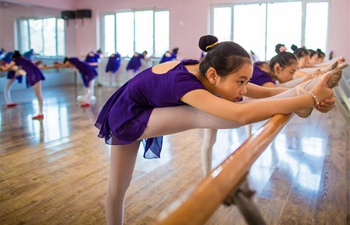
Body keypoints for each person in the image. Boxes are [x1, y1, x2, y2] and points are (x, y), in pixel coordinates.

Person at [94, 34, 339, 225]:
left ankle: (304, 95)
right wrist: (308, 100)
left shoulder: (208, 72)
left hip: (137, 107)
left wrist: (305, 91)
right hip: (126, 116)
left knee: (118, 187)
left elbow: (263, 92)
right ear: (213, 75)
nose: (244, 88)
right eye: (240, 82)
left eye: (246, 81)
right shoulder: (187, 84)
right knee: (209, 114)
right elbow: (239, 115)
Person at [201, 51, 341, 176]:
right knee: (209, 140)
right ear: (277, 68)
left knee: (210, 140)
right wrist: (309, 95)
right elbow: (274, 91)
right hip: (215, 101)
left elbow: (273, 91)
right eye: (291, 72)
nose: (293, 75)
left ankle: (206, 176)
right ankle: (206, 177)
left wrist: (309, 92)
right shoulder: (261, 74)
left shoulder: (257, 76)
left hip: (225, 99)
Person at [0, 50, 45, 119]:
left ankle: (40, 113)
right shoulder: (25, 59)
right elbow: (22, 70)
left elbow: (7, 68)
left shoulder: (15, 60)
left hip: (33, 75)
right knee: (38, 95)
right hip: (35, 73)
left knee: (38, 95)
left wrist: (3, 67)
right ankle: (40, 113)